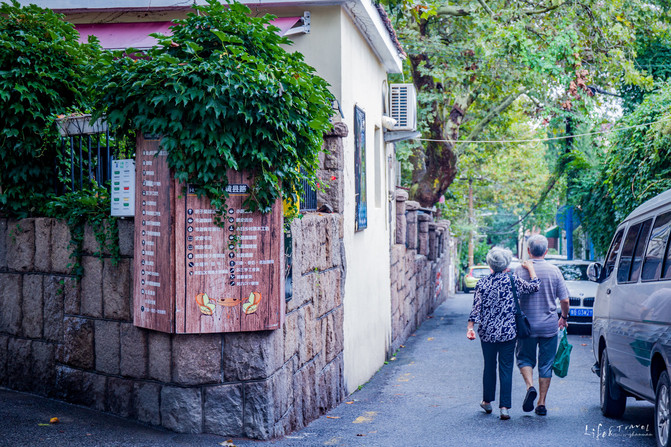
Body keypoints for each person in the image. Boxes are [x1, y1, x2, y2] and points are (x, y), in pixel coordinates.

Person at [467, 247, 540, 420]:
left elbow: (476, 309)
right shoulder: (513, 280)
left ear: (490, 264)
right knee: (506, 368)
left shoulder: (482, 283)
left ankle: (487, 401)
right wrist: (531, 270)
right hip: (508, 332)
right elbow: (535, 287)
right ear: (506, 264)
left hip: (487, 333)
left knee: (489, 366)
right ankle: (504, 408)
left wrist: (470, 328)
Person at [514, 234, 570, 416]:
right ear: (546, 251)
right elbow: (565, 300)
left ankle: (530, 386)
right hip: (549, 326)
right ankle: (541, 403)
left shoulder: (519, 270)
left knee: (525, 359)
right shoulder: (554, 271)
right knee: (546, 364)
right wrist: (564, 317)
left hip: (526, 326)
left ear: (528, 251)